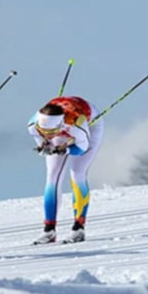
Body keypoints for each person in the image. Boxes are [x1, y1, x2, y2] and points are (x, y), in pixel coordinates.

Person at [27, 96, 104, 244]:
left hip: (89, 127)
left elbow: (82, 149)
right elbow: (44, 139)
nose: (48, 135)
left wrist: (66, 150)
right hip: (62, 129)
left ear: (60, 124)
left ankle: (78, 228)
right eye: (44, 132)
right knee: (52, 178)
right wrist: (46, 146)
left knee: (77, 173)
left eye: (51, 132)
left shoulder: (76, 125)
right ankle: (49, 230)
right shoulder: (33, 125)